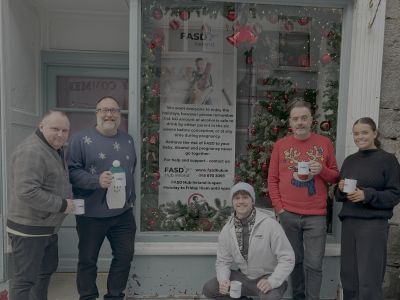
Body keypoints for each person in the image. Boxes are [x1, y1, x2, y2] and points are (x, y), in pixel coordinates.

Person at [267, 100, 339, 300]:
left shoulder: (324, 143)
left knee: (314, 264)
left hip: (316, 216)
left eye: (304, 118)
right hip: (288, 214)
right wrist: (279, 209)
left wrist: (322, 170)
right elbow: (272, 180)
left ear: (311, 120)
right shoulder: (281, 145)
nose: (300, 122)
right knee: (294, 261)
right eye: (296, 119)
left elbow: (335, 176)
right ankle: (298, 297)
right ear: (290, 122)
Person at [67, 96, 137, 300]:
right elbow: (72, 172)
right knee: (88, 260)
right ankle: (88, 296)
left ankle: (115, 296)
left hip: (123, 213)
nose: (109, 114)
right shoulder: (80, 139)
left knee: (124, 257)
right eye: (104, 110)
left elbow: (131, 171)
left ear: (119, 115)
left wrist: (130, 198)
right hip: (91, 214)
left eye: (114, 110)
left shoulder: (128, 139)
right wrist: (95, 180)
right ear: (96, 113)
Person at [6, 110, 75, 300]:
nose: (60, 134)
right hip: (29, 230)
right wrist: (62, 205)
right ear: (41, 127)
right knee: (25, 281)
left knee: (43, 275)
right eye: (55, 129)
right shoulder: (32, 151)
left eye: (65, 130)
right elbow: (27, 192)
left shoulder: (53, 148)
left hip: (45, 228)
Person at [335, 117, 400, 300]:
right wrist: (339, 189)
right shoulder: (349, 160)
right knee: (349, 278)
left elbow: (395, 195)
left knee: (369, 279)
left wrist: (367, 195)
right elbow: (340, 195)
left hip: (373, 226)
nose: (360, 136)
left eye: (364, 132)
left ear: (374, 133)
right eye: (356, 133)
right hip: (349, 223)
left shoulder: (388, 160)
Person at [203, 182, 295, 300]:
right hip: (244, 278)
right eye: (237, 198)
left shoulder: (269, 224)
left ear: (252, 201)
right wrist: (223, 280)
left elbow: (287, 258)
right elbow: (223, 261)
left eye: (245, 197)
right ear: (232, 202)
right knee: (209, 288)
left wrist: (273, 281)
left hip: (268, 278)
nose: (241, 201)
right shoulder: (227, 229)